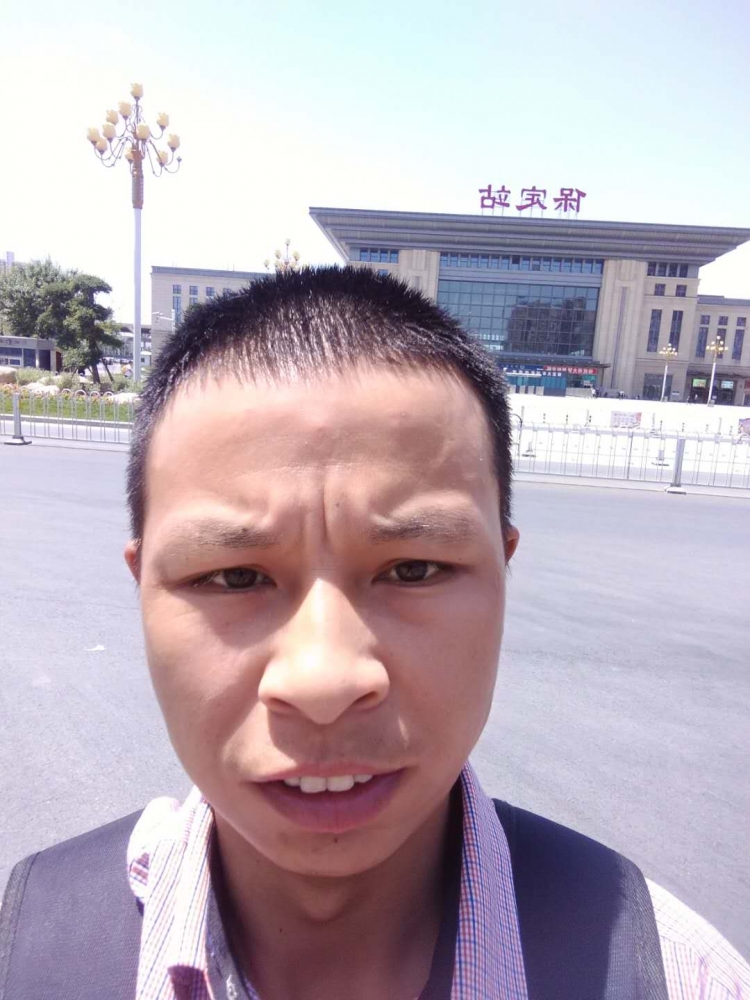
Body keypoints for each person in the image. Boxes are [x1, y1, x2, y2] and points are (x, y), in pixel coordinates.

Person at [2, 268, 749, 1000]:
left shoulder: (677, 978)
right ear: (142, 587)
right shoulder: (28, 956)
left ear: (503, 569)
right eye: (233, 577)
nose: (324, 680)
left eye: (414, 569)